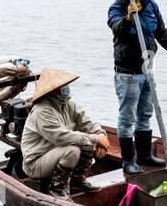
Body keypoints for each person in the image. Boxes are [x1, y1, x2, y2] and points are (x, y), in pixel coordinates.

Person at [107, 0, 167, 175]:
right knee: (127, 118)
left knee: (145, 113)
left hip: (148, 70)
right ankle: (128, 161)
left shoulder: (150, 4)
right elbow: (117, 28)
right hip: (127, 74)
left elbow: (160, 30)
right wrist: (128, 18)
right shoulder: (116, 9)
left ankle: (144, 155)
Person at [20, 68, 110, 199]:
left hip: (55, 153)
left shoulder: (68, 104)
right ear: (52, 90)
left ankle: (77, 179)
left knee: (86, 143)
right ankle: (57, 188)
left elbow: (87, 122)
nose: (66, 88)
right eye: (62, 86)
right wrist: (95, 139)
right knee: (73, 149)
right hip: (35, 163)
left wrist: (101, 134)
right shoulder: (41, 111)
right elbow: (61, 137)